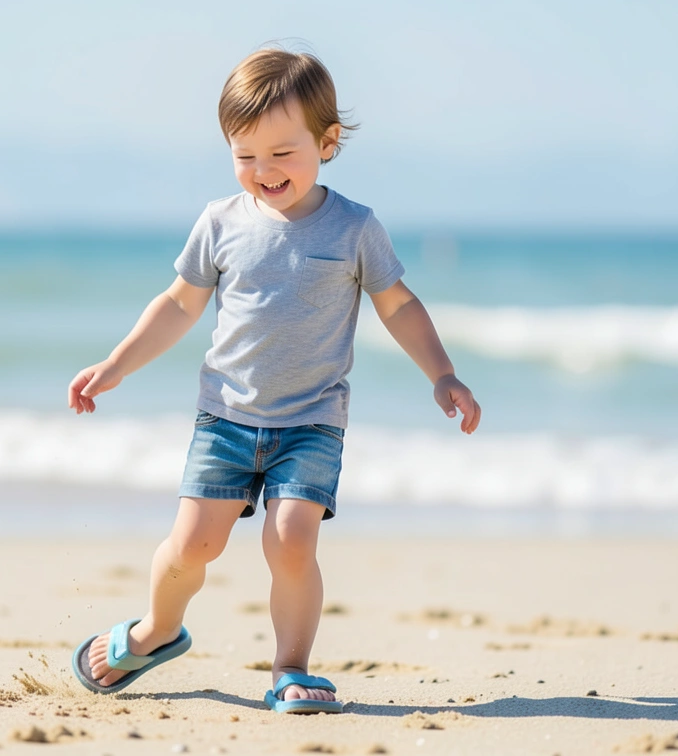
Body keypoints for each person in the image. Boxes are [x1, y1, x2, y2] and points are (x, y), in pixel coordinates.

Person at [68, 46, 480, 714]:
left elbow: (398, 306)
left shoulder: (354, 228)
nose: (263, 171)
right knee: (192, 545)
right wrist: (116, 364)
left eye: (282, 153)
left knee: (291, 541)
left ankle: (291, 666)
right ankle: (157, 629)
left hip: (311, 421)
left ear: (327, 142)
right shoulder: (221, 222)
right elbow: (179, 305)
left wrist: (443, 373)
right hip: (226, 417)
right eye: (245, 155)